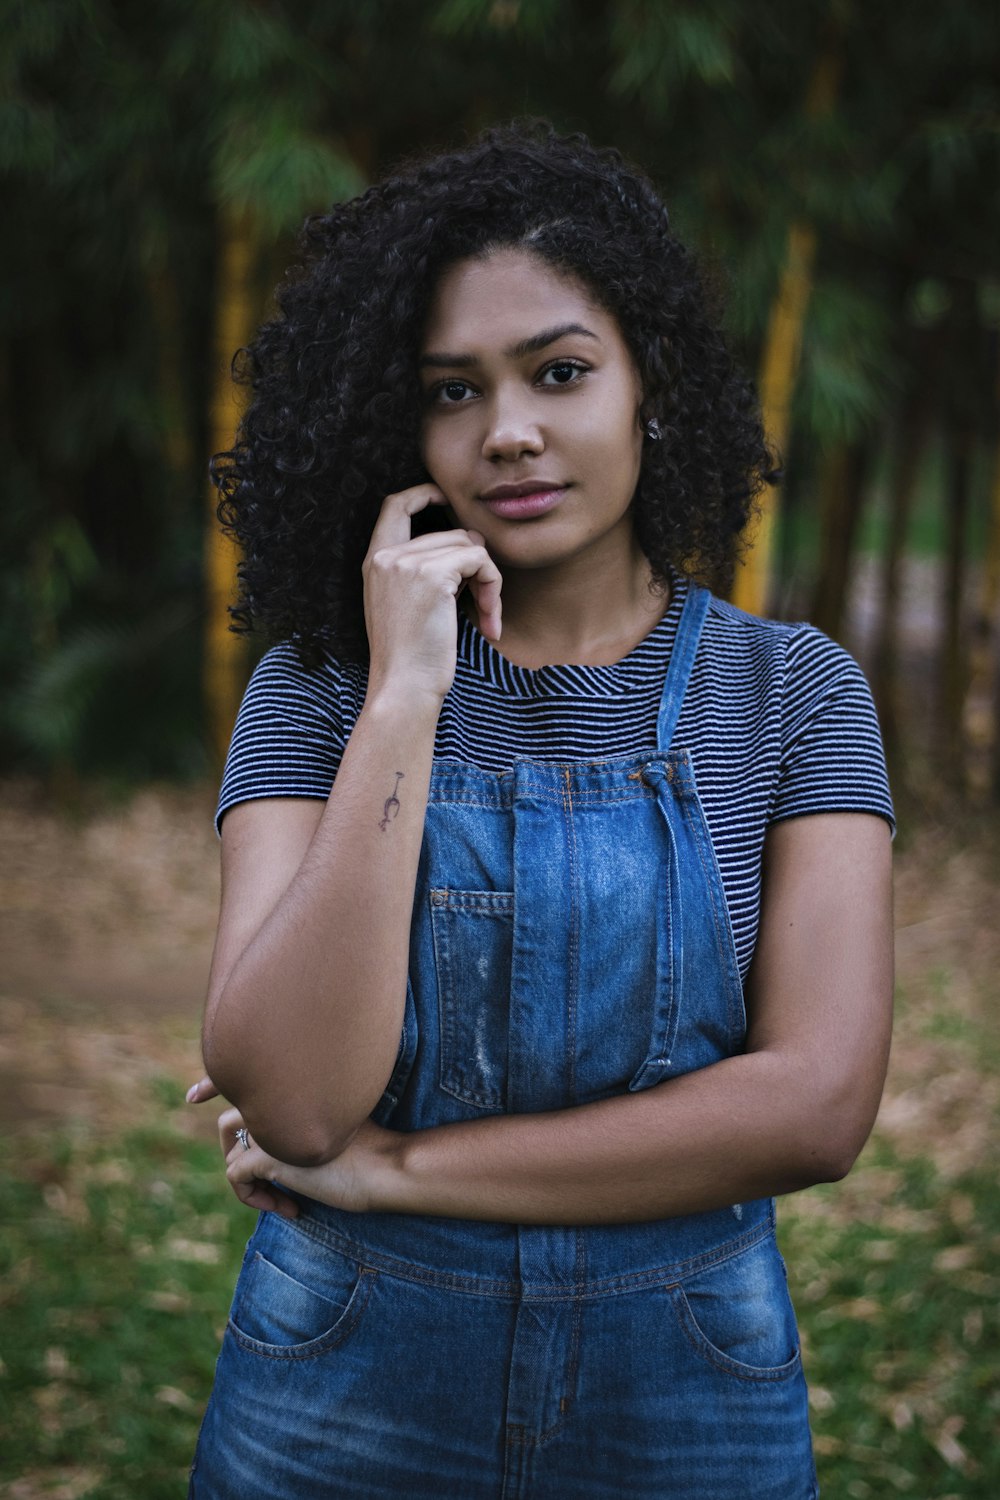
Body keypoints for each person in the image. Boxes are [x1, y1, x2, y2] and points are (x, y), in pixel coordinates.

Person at [186, 121, 894, 1499]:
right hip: (340, 1390)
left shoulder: (795, 694)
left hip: (691, 1393)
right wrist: (404, 696)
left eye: (560, 372)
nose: (507, 429)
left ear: (652, 391)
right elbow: (296, 1093)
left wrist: (400, 1172)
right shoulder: (317, 693)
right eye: (453, 392)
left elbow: (815, 1106)